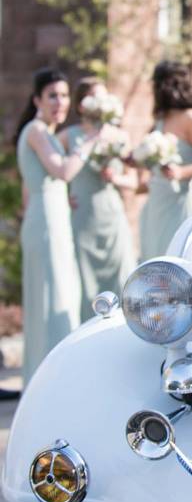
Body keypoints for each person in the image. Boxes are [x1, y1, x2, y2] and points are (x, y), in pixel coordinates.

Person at [16, 69, 92, 385]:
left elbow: (37, 184)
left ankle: (54, 377)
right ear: (37, 100)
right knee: (51, 299)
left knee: (63, 295)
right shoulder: (35, 130)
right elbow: (62, 170)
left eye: (63, 95)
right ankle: (49, 380)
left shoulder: (44, 132)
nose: (60, 102)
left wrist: (62, 200)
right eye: (52, 96)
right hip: (45, 224)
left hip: (53, 215)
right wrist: (88, 143)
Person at [62, 78, 136, 319]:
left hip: (111, 214)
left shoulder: (119, 136)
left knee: (121, 277)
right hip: (82, 215)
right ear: (82, 104)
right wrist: (64, 199)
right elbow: (53, 175)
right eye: (95, 97)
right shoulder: (68, 136)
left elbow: (134, 182)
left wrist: (115, 178)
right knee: (84, 284)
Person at [138, 61, 192, 260]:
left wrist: (182, 172)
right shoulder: (160, 120)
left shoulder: (191, 118)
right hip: (156, 203)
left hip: (180, 202)